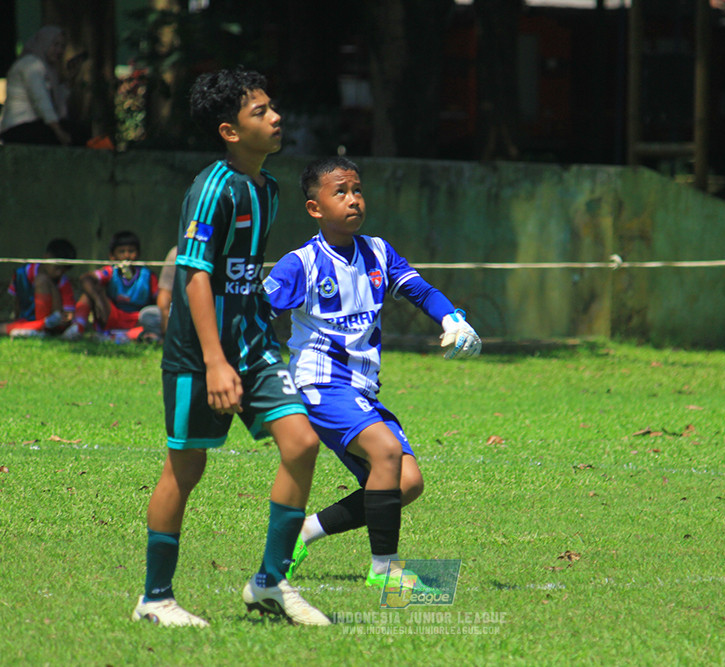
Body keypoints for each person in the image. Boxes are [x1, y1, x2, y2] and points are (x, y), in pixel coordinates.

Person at [131, 67, 329, 628]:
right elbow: (195, 275)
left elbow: (240, 274)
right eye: (260, 112)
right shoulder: (212, 188)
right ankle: (155, 598)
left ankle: (270, 581)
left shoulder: (267, 189)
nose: (276, 117)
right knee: (185, 468)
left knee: (302, 443)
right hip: (200, 355)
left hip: (254, 346)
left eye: (272, 107)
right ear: (230, 131)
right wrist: (215, 362)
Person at [263, 156, 481, 589]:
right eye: (340, 192)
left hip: (361, 391)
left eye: (357, 190)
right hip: (320, 384)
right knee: (386, 451)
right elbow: (256, 313)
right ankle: (385, 571)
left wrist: (452, 320)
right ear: (315, 208)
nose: (353, 200)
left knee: (407, 482)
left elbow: (420, 290)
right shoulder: (300, 264)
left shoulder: (378, 252)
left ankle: (305, 531)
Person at [0, 26, 86, 146]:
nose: (59, 50)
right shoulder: (30, 64)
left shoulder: (48, 68)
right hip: (17, 127)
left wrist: (70, 79)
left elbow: (57, 104)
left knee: (78, 130)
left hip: (34, 125)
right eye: (55, 45)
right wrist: (59, 131)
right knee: (75, 133)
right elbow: (41, 100)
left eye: (62, 46)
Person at [65, 230, 159, 342]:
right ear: (112, 256)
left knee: (150, 328)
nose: (127, 256)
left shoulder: (148, 276)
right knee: (88, 293)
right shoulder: (110, 271)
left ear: (138, 253)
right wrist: (97, 299)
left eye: (131, 251)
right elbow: (86, 278)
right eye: (122, 252)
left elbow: (158, 301)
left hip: (137, 320)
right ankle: (77, 328)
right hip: (113, 316)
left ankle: (117, 337)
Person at [0, 238, 77, 338]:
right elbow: (17, 302)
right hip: (29, 322)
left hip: (54, 322)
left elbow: (68, 313)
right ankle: (39, 327)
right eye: (57, 268)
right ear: (46, 257)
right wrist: (17, 319)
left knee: (41, 280)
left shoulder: (62, 281)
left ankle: (43, 328)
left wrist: (66, 318)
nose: (58, 273)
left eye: (63, 271)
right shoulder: (21, 274)